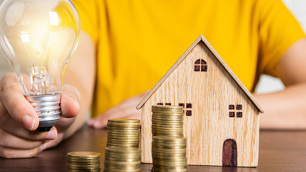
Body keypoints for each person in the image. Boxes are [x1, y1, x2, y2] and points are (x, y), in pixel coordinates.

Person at [0, 0, 305, 158]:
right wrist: (44, 120)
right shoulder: (95, 4)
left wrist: (201, 108)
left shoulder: (256, 6)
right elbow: (73, 89)